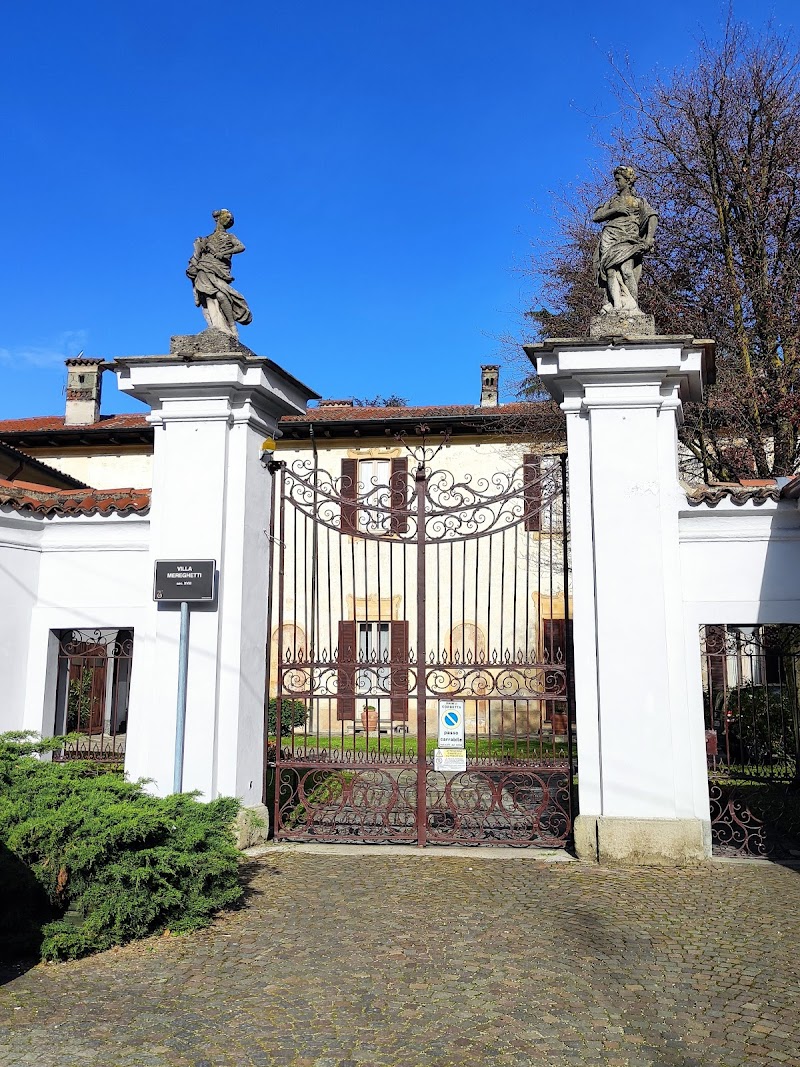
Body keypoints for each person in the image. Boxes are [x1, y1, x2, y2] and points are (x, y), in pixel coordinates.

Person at [592, 166, 657, 314]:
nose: (616, 183)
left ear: (627, 181)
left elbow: (652, 217)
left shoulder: (638, 201)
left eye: (618, 180)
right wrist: (615, 210)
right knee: (610, 272)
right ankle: (614, 304)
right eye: (615, 180)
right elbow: (596, 217)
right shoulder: (613, 201)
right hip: (610, 237)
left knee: (627, 271)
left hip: (629, 238)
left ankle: (632, 306)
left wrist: (649, 238)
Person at [186, 209, 253, 336]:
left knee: (223, 295)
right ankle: (216, 325)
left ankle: (232, 327)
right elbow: (197, 254)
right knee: (208, 296)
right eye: (226, 217)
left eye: (230, 218)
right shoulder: (207, 238)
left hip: (220, 269)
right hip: (204, 267)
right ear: (218, 219)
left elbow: (241, 247)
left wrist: (224, 253)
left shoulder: (230, 236)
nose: (229, 219)